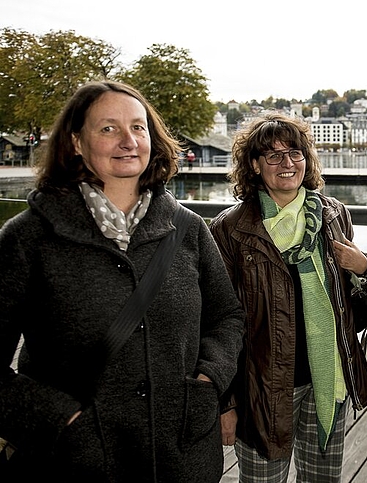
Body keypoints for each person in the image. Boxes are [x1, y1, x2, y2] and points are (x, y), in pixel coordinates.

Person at [0, 81, 245, 482]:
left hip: (182, 459)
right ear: (76, 142)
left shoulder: (187, 229)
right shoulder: (29, 238)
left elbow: (227, 316)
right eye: (108, 128)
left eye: (138, 127)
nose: (128, 141)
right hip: (74, 464)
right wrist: (62, 420)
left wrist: (208, 381)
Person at [209, 112, 367, 482]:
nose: (287, 163)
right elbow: (219, 322)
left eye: (295, 152)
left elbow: (357, 314)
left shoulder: (334, 215)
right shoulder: (232, 228)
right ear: (253, 165)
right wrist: (227, 404)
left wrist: (362, 269)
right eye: (273, 155)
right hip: (262, 392)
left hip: (327, 381)